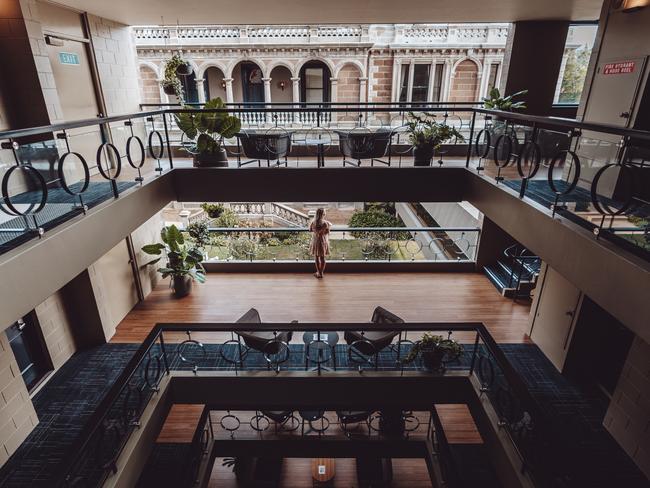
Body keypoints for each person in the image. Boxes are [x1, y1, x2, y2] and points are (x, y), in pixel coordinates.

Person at [309, 208, 331, 278]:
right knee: (322, 257)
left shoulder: (313, 222)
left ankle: (318, 272)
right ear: (323, 214)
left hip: (315, 240)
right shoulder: (325, 223)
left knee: (316, 257)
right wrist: (328, 226)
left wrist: (316, 231)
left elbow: (310, 230)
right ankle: (321, 273)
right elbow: (327, 232)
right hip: (322, 241)